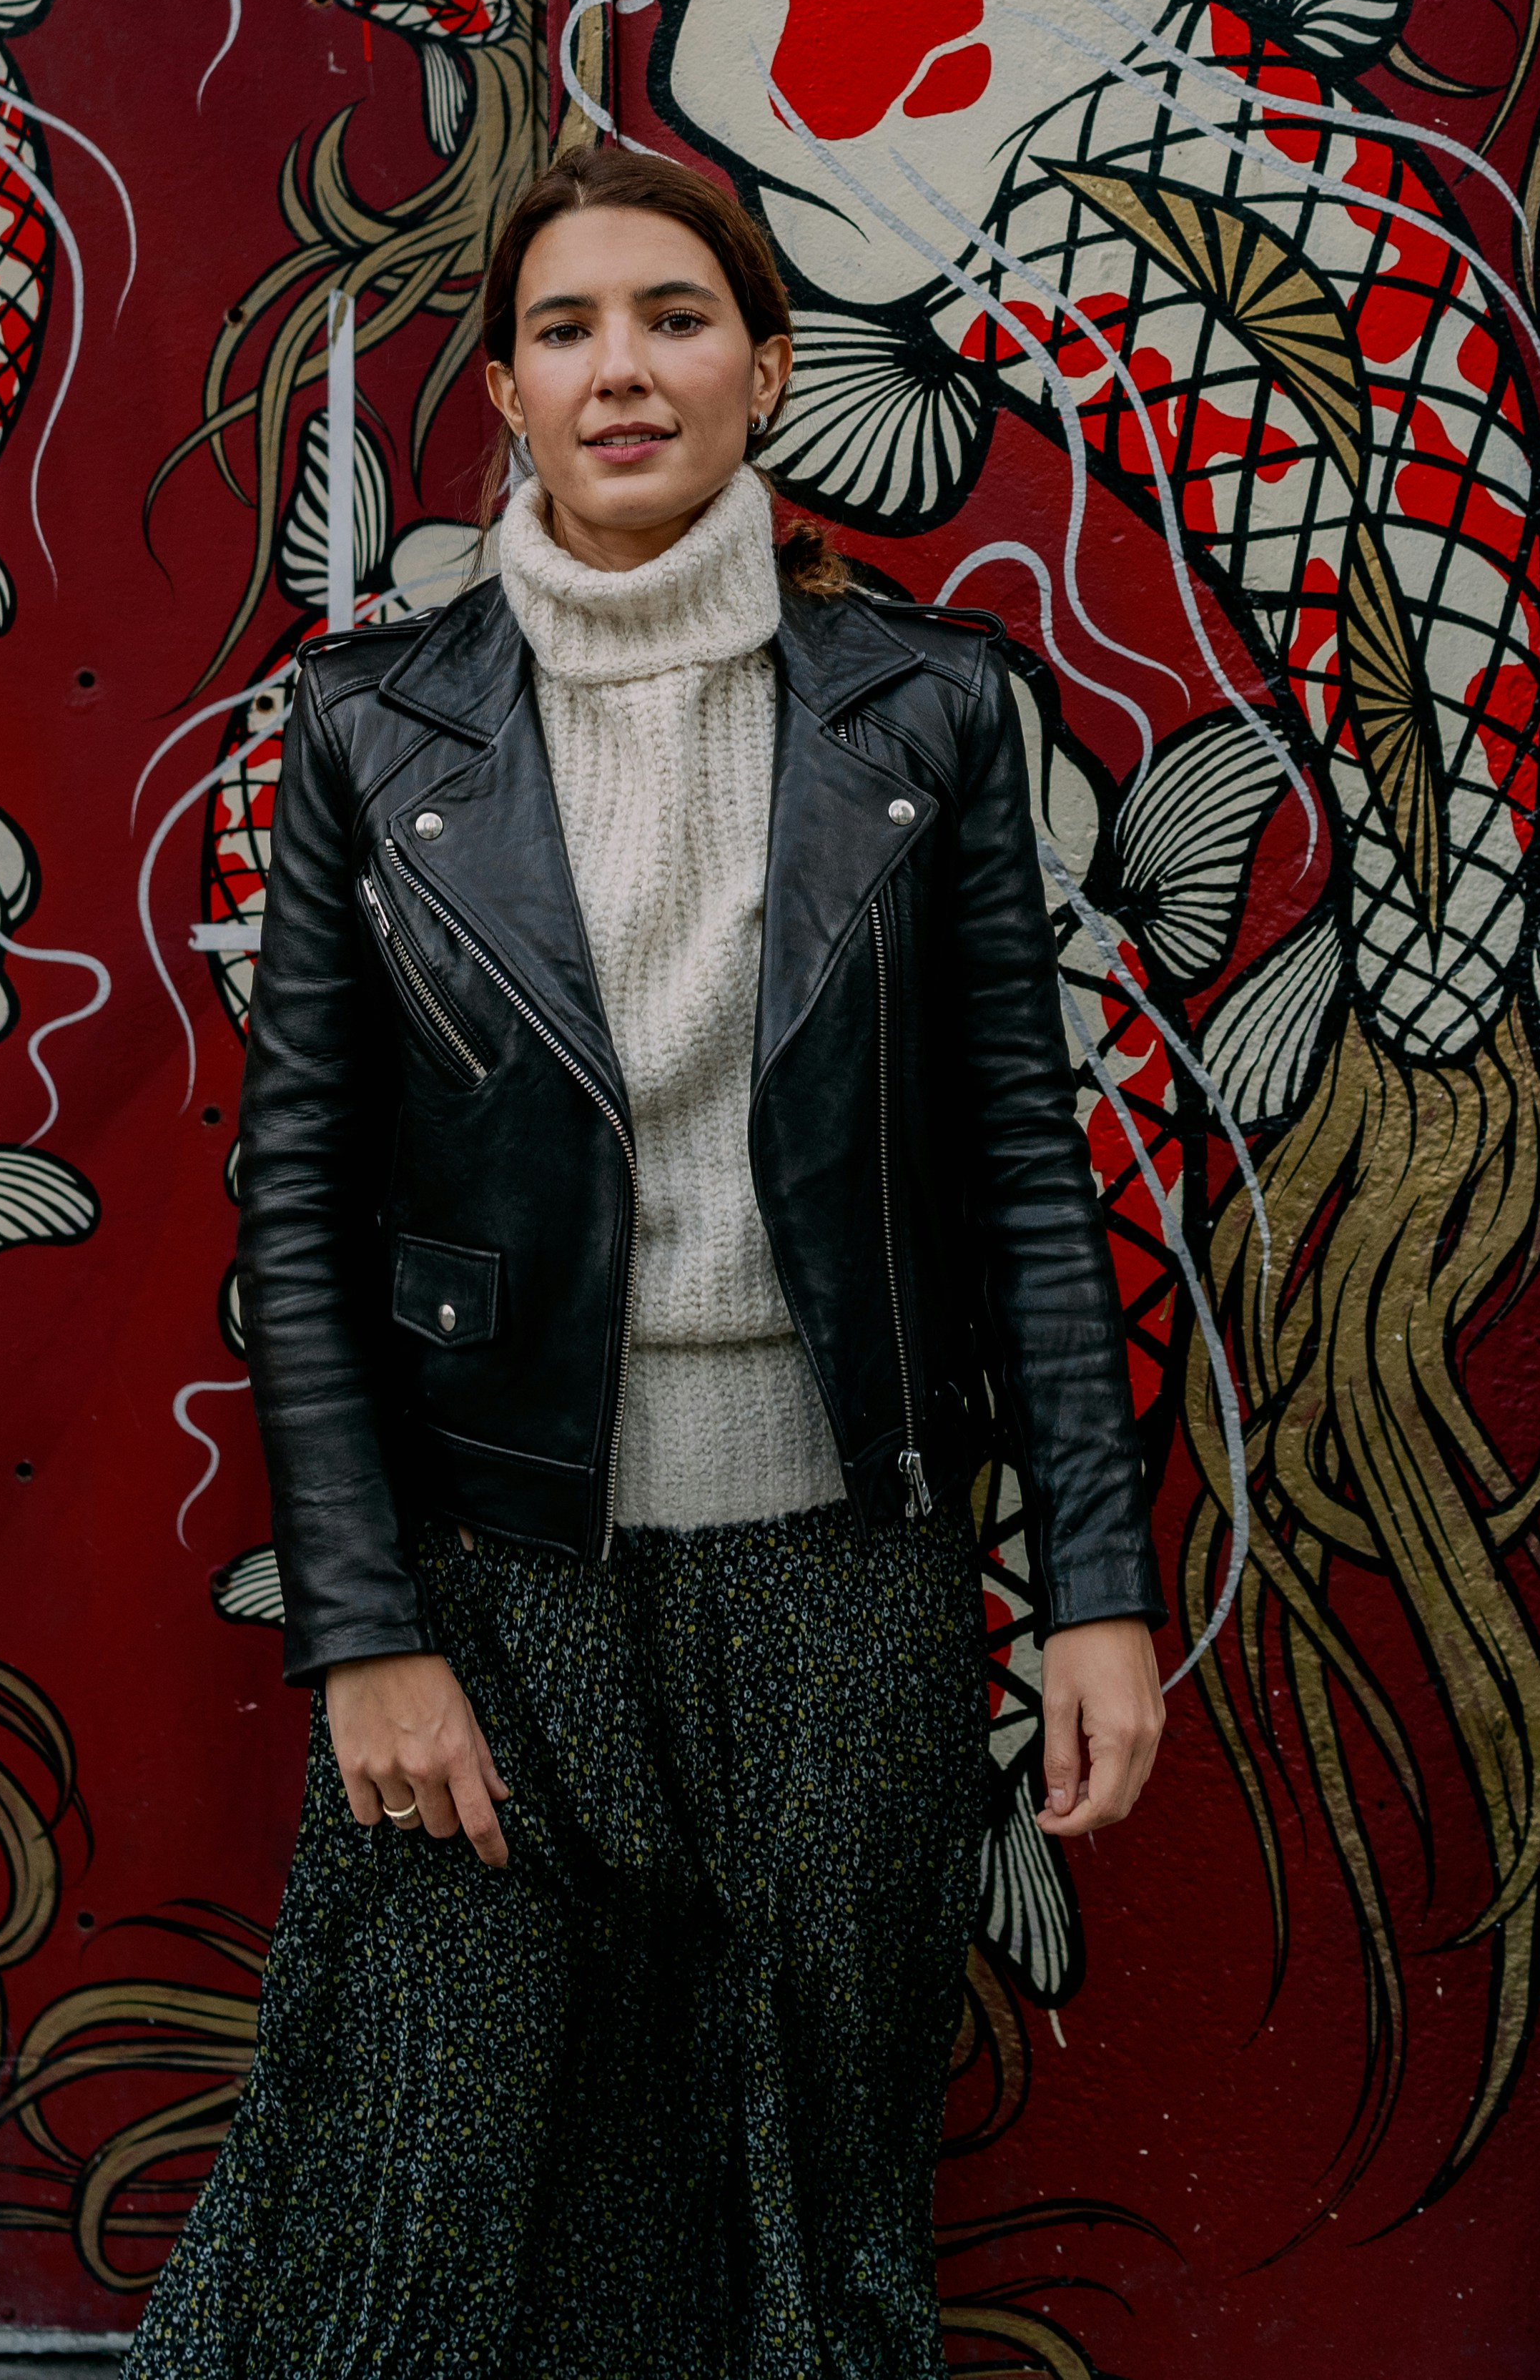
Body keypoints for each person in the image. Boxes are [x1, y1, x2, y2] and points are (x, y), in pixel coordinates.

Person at [128, 146, 1165, 2379]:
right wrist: (365, 1637)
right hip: (495, 1579)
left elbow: (1017, 1164)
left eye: (677, 317)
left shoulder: (928, 712)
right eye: (570, 327)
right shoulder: (367, 727)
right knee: (413, 2188)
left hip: (840, 1572)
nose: (625, 368)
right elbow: (293, 1219)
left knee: (808, 2199)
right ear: (502, 390)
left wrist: (1095, 1584)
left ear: (769, 370)